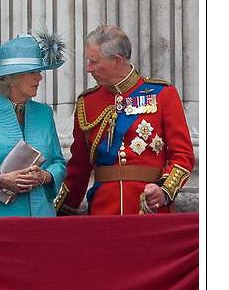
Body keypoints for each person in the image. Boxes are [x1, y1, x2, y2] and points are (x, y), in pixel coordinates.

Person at [55, 24, 195, 215]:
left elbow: (182, 155)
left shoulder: (163, 94)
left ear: (117, 61)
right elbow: (79, 168)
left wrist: (164, 191)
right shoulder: (87, 103)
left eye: (94, 62)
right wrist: (60, 212)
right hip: (102, 211)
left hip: (148, 209)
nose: (89, 69)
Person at [0, 34, 67, 218]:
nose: (39, 78)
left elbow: (58, 163)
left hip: (41, 217)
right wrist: (0, 179)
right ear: (12, 77)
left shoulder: (44, 113)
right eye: (33, 72)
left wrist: (44, 176)